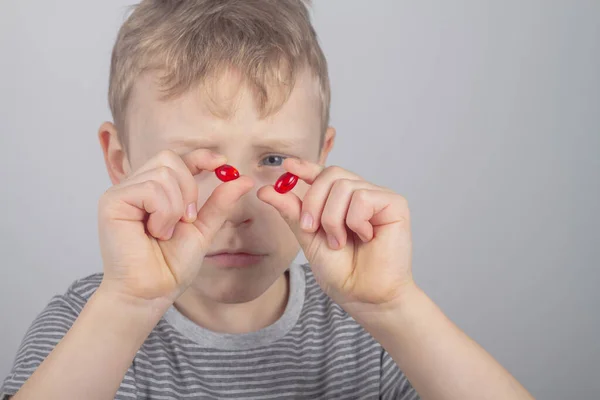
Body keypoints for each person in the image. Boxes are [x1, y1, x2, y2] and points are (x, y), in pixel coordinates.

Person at [1, 1, 534, 399]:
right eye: (199, 165)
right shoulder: (88, 323)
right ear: (121, 161)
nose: (237, 205)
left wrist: (394, 307)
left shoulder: (368, 332)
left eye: (274, 160)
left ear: (320, 159)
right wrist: (127, 306)